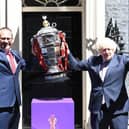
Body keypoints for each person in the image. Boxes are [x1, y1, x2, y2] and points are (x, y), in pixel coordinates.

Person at [68, 37, 129, 129]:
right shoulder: (92, 61)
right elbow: (76, 66)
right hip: (98, 107)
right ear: (100, 51)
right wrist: (67, 53)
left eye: (109, 49)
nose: (107, 52)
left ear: (114, 50)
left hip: (117, 107)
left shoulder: (122, 60)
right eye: (104, 50)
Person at [0, 27, 25, 129]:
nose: (6, 41)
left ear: (12, 40)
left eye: (8, 38)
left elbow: (26, 66)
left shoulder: (15, 54)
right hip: (1, 105)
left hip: (15, 103)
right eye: (3, 38)